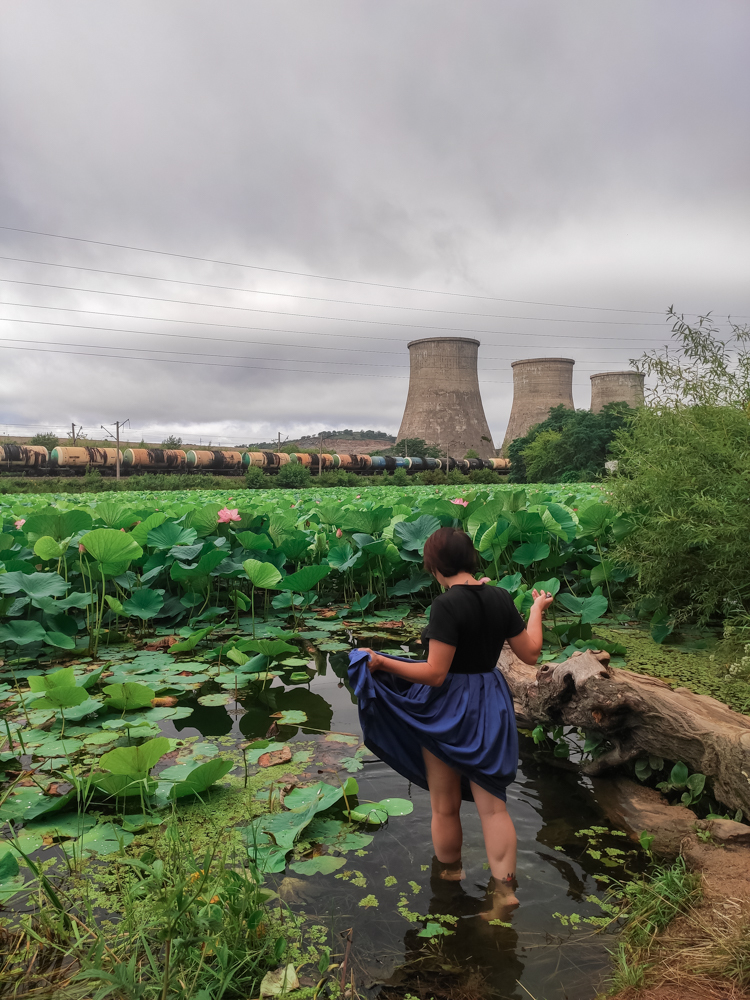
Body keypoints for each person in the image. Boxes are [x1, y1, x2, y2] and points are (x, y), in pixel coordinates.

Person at [347, 525, 554, 914]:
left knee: (444, 805)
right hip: (491, 700)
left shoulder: (445, 606)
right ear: (472, 559)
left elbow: (436, 673)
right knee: (494, 807)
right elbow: (531, 654)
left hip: (448, 705)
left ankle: (449, 880)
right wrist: (535, 610)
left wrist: (379, 660)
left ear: (435, 566)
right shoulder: (499, 597)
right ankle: (506, 891)